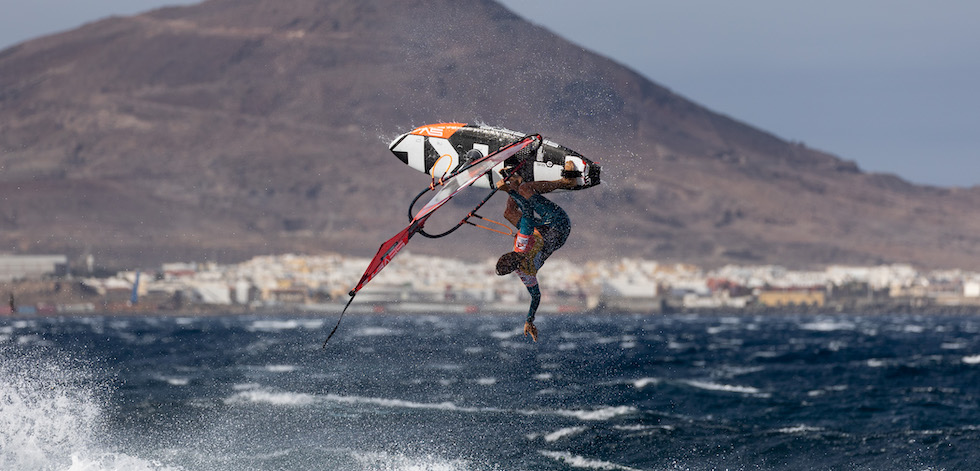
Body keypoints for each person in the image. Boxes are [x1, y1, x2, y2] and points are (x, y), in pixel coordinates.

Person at [495, 162, 579, 341]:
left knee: (509, 213)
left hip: (547, 234)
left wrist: (529, 320)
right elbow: (527, 212)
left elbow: (536, 296)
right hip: (558, 224)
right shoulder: (522, 243)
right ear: (511, 255)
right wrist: (509, 191)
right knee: (526, 189)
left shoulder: (525, 274)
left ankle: (516, 180)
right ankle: (565, 182)